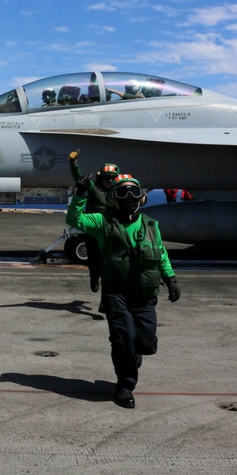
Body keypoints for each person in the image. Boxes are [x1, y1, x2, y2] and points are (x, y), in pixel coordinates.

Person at [65, 173, 180, 409]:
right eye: (122, 193)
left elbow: (161, 253)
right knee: (122, 339)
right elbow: (74, 218)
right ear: (113, 198)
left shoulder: (151, 225)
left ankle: (135, 352)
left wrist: (170, 278)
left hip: (145, 295)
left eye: (134, 192)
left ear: (142, 198)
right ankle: (125, 386)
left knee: (146, 343)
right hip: (115, 293)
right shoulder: (101, 222)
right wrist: (80, 194)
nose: (128, 197)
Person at [67, 150, 120, 293]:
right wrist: (74, 165)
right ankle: (94, 276)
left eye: (112, 177)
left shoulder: (119, 190)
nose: (109, 180)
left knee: (110, 264)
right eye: (107, 177)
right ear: (101, 177)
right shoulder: (93, 188)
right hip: (93, 228)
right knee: (94, 261)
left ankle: (106, 298)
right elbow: (80, 180)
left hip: (111, 230)